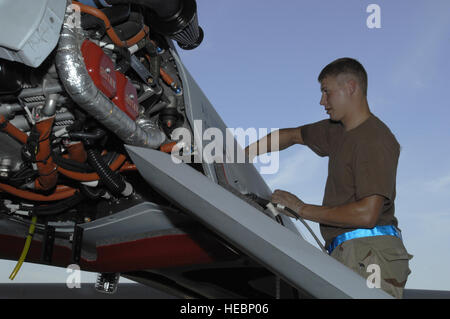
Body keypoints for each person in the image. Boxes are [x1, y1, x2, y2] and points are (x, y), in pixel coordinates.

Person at [245, 57, 412, 298]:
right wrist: (240, 155)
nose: (322, 101)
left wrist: (301, 209)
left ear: (351, 87)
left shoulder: (375, 139)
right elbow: (292, 135)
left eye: (326, 92)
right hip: (346, 253)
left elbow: (367, 214)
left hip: (371, 255)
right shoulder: (336, 130)